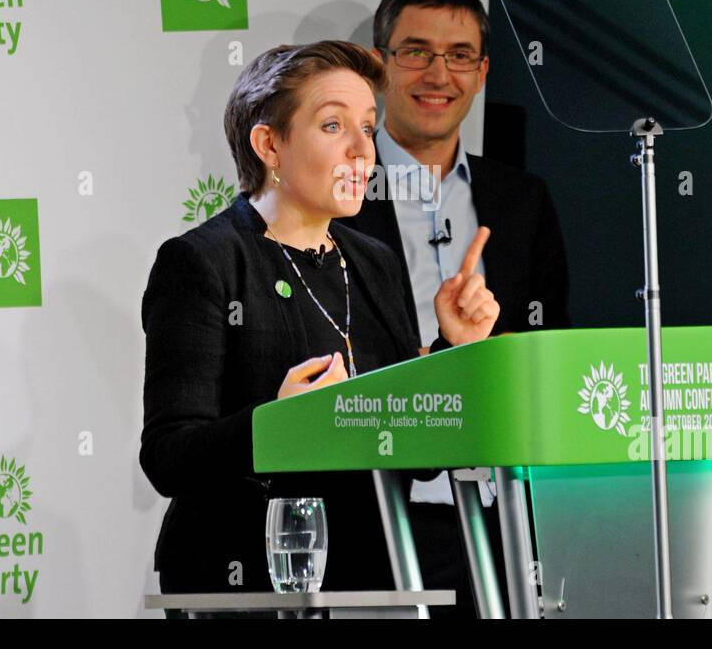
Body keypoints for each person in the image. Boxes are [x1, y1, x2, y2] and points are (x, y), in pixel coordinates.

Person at [139, 40, 500, 610]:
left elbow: (411, 449)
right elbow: (168, 456)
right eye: (334, 126)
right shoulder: (203, 261)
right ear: (269, 145)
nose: (364, 151)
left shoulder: (374, 261)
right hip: (244, 578)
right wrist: (282, 425)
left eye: (368, 126)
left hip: (374, 572)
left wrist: (450, 351)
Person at [335, 0, 572, 617]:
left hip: (505, 517)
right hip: (379, 512)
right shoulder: (334, 195)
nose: (438, 74)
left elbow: (549, 347)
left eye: (459, 55)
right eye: (416, 52)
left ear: (483, 70)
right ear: (381, 65)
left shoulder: (522, 199)